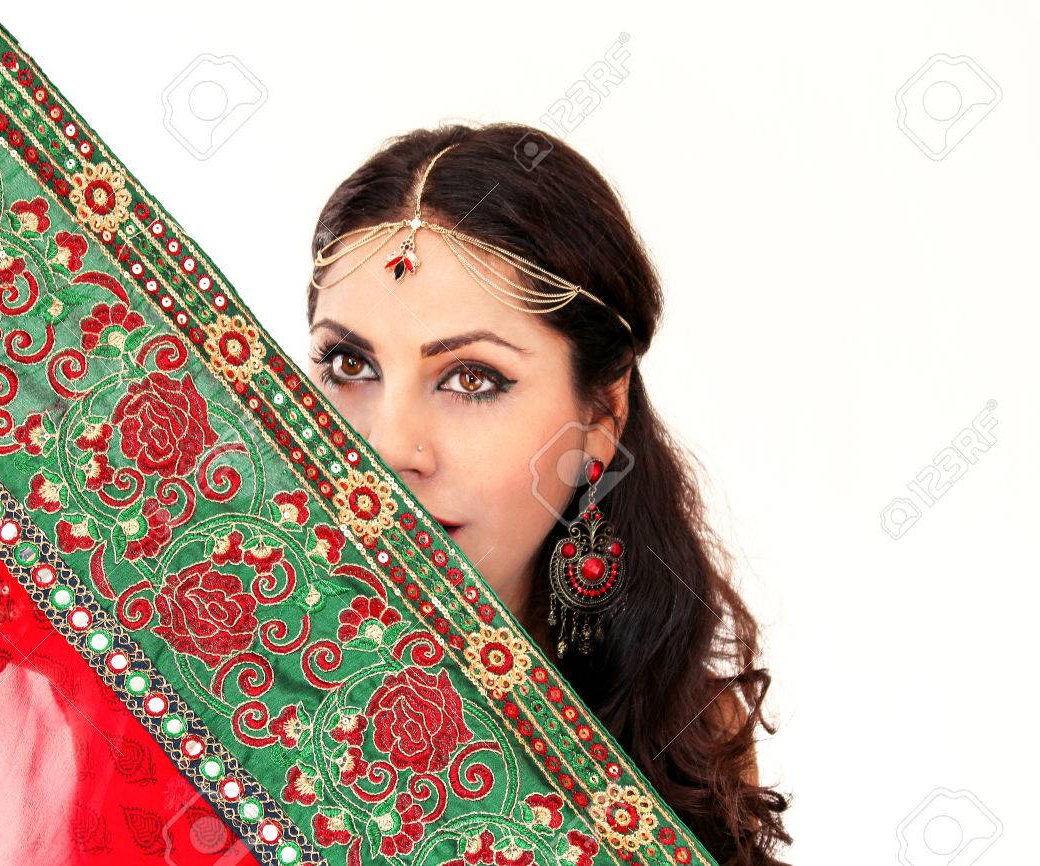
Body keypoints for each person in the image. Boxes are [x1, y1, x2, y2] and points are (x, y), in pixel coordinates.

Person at [306, 122, 793, 865]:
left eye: (471, 378)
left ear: (600, 416)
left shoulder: (685, 737)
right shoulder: (190, 666)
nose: (386, 449)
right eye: (349, 365)